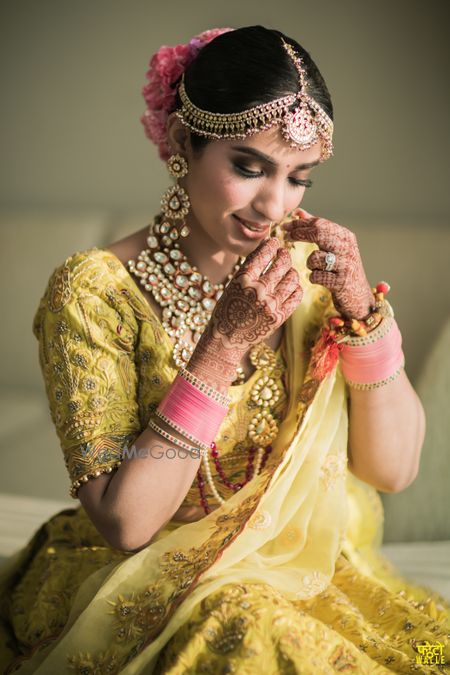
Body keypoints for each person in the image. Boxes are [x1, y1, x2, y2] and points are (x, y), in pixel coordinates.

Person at [0, 24, 448, 674]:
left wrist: (364, 314)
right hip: (143, 584)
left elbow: (392, 469)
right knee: (244, 630)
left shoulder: (301, 275)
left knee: (425, 655)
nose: (274, 204)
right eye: (248, 166)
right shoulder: (94, 293)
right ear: (184, 142)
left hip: (305, 573)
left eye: (300, 178)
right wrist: (220, 347)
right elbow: (126, 525)